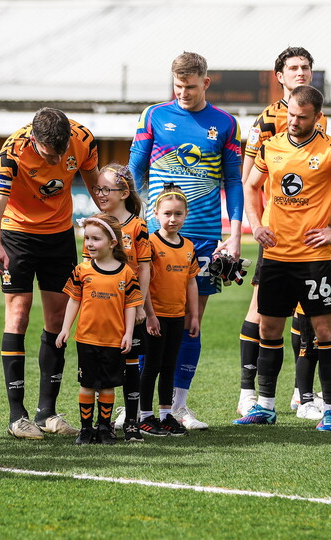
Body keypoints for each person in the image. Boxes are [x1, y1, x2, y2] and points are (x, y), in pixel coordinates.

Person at [236, 85, 331, 432]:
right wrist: (255, 224)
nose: (294, 122)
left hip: (313, 258)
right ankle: (266, 406)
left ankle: (328, 408)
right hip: (275, 256)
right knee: (269, 328)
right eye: (291, 116)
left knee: (325, 331)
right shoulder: (271, 146)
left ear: (316, 116)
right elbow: (250, 186)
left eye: (301, 117)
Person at [130, 51, 242, 430]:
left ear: (205, 83)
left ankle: (177, 406)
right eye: (178, 86)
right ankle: (140, 407)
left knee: (191, 321)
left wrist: (236, 233)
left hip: (204, 239)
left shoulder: (225, 124)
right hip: (154, 238)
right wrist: (132, 220)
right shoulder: (154, 115)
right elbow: (134, 169)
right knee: (148, 320)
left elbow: (234, 181)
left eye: (191, 87)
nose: (184, 94)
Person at [0, 108, 99, 440]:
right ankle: (17, 416)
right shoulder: (11, 154)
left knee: (59, 318)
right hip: (17, 234)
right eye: (51, 153)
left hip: (60, 235)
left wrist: (117, 227)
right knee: (18, 315)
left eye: (63, 151)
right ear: (34, 139)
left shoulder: (83, 139)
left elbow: (96, 191)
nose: (59, 158)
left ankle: (46, 412)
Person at [238, 46, 327, 417]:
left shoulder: (319, 116)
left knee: (308, 310)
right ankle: (249, 394)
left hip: (311, 233)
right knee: (262, 308)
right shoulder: (269, 119)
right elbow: (249, 178)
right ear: (279, 76)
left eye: (306, 67)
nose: (301, 73)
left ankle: (301, 394)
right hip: (277, 233)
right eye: (293, 68)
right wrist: (256, 225)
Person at [58, 213, 143, 445]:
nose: (89, 244)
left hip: (113, 341)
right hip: (86, 339)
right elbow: (74, 300)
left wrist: (127, 333)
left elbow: (131, 305)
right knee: (87, 385)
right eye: (87, 238)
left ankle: (104, 428)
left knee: (107, 386)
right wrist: (66, 329)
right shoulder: (81, 270)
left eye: (96, 239)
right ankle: (86, 429)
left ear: (113, 243)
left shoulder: (126, 273)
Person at [87, 164, 151, 442]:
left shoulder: (137, 226)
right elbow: (86, 270)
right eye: (97, 188)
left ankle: (133, 422)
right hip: (102, 311)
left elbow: (145, 269)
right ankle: (103, 423)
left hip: (128, 310)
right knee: (103, 368)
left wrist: (139, 306)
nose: (100, 194)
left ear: (124, 192)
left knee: (132, 364)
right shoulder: (95, 223)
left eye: (106, 189)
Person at [286, 189, 331, 421]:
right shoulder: (312, 234)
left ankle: (328, 401)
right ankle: (303, 400)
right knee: (309, 351)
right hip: (313, 304)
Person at [138, 184, 199, 436]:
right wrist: (150, 315)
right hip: (155, 317)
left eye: (178, 214)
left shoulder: (188, 246)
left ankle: (165, 415)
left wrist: (193, 315)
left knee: (169, 366)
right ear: (155, 214)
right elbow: (143, 282)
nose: (172, 219)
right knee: (151, 365)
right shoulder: (150, 243)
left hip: (176, 317)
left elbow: (191, 281)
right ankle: (144, 415)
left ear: (186, 214)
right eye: (167, 213)